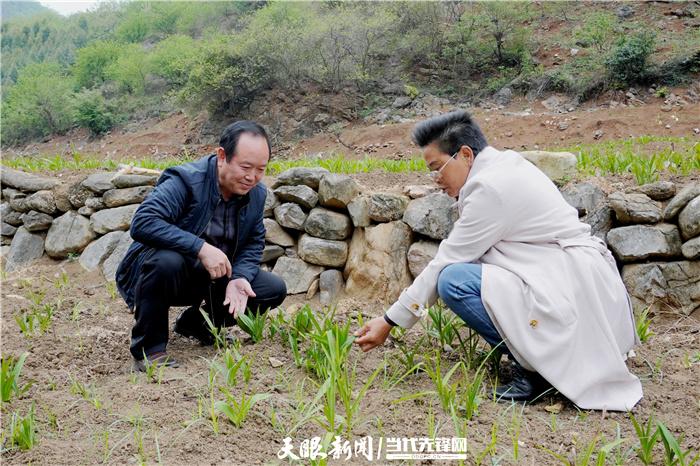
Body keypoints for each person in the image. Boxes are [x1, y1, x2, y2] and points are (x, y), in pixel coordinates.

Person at [354, 110, 642, 411]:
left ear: (465, 154)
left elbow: (446, 260)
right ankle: (536, 359)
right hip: (568, 274)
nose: (436, 180)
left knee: (453, 281)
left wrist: (389, 321)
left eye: (438, 168)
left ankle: (534, 371)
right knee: (467, 274)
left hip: (570, 279)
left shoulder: (489, 188)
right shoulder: (503, 165)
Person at [116, 121, 287, 372]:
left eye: (261, 169)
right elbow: (143, 222)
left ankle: (197, 325)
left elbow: (253, 242)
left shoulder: (256, 194)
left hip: (212, 276)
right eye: (245, 167)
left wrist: (239, 278)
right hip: (167, 274)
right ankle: (149, 351)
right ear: (222, 156)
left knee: (271, 289)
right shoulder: (186, 181)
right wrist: (201, 247)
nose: (252, 177)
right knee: (166, 261)